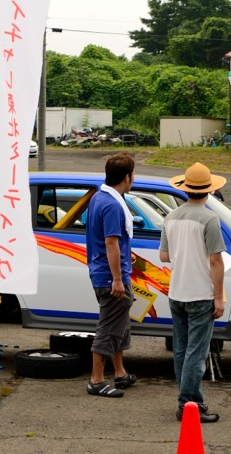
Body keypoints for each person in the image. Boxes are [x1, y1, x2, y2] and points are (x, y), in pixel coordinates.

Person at [161, 162, 227, 423]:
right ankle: (190, 405)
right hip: (200, 294)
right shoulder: (209, 219)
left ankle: (185, 401)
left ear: (185, 189)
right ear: (209, 190)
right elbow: (216, 261)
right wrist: (219, 297)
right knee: (196, 352)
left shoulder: (171, 217)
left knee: (181, 349)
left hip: (177, 292)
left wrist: (184, 253)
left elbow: (164, 256)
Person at [84, 151, 137, 398]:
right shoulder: (113, 205)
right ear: (127, 177)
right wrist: (117, 278)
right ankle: (96, 380)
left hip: (104, 272)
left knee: (120, 324)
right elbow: (111, 243)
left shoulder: (99, 196)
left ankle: (119, 372)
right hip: (110, 276)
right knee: (109, 328)